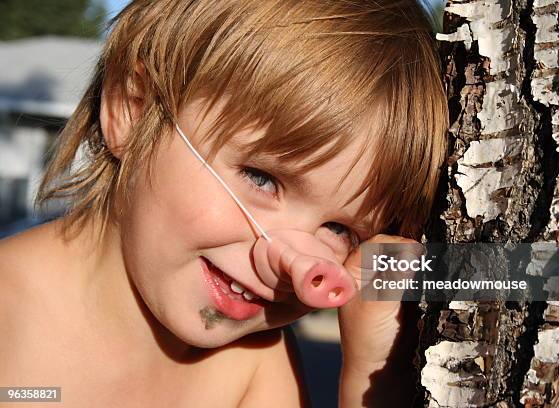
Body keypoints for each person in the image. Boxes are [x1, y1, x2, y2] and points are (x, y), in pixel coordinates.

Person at [0, 0, 448, 406]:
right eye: (262, 178)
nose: (294, 263)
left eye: (339, 230)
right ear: (132, 110)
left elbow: (514, 271)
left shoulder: (253, 364)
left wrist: (374, 370)